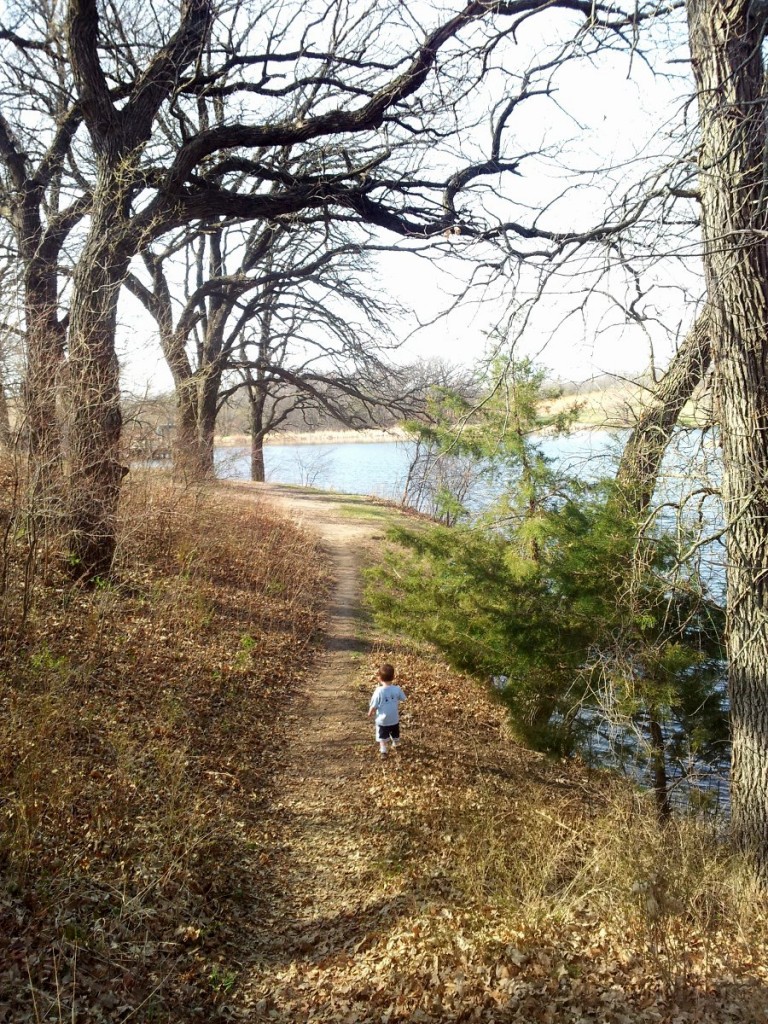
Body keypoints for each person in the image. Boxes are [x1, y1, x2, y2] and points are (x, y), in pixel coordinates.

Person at [367, 663, 406, 758]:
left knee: (382, 736)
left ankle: (383, 750)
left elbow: (374, 705)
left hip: (382, 720)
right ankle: (396, 743)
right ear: (393, 677)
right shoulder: (397, 689)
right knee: (395, 731)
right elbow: (403, 698)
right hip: (394, 718)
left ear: (379, 678)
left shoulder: (378, 691)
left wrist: (370, 712)